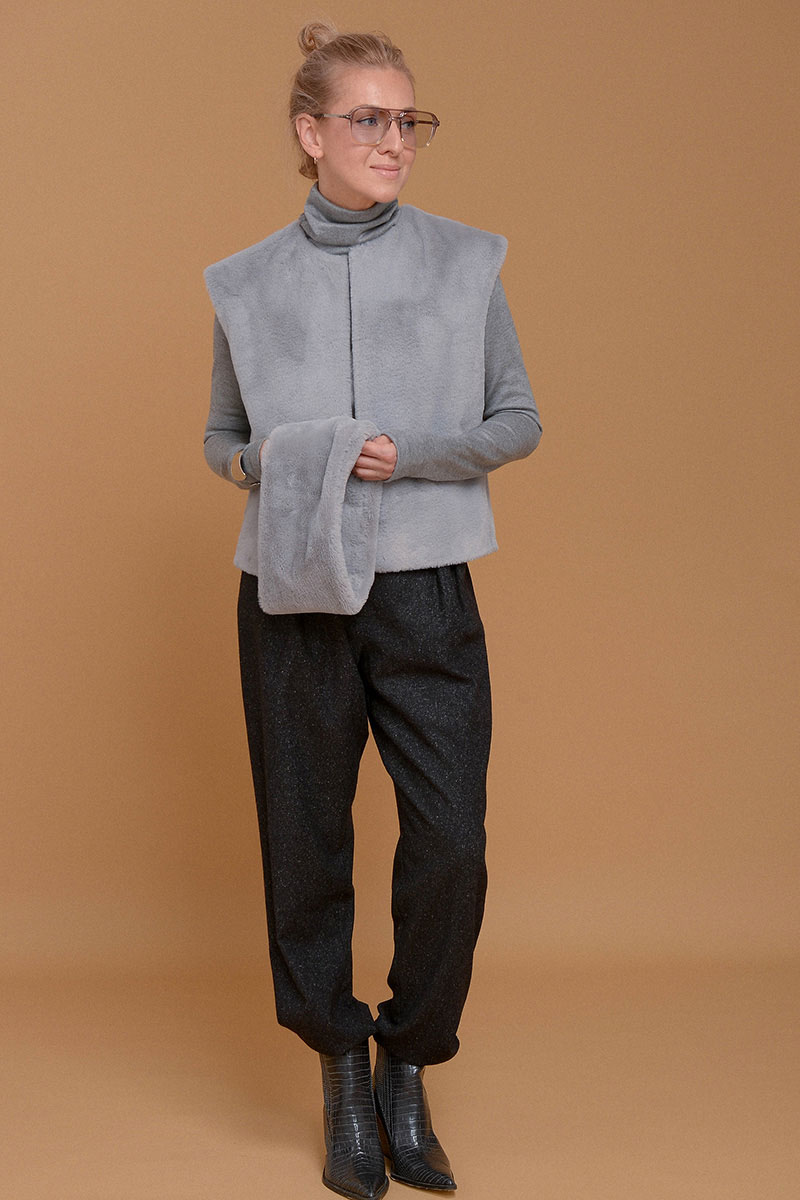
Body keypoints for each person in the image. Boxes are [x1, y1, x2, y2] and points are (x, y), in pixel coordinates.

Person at [203, 22, 541, 1200]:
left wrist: (411, 456)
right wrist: (275, 465)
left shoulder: (465, 263)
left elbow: (516, 421)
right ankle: (339, 1063)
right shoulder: (245, 282)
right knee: (304, 839)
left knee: (449, 840)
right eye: (369, 119)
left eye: (408, 120)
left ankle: (409, 1058)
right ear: (311, 133)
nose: (394, 139)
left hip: (426, 583)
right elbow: (223, 440)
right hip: (290, 587)